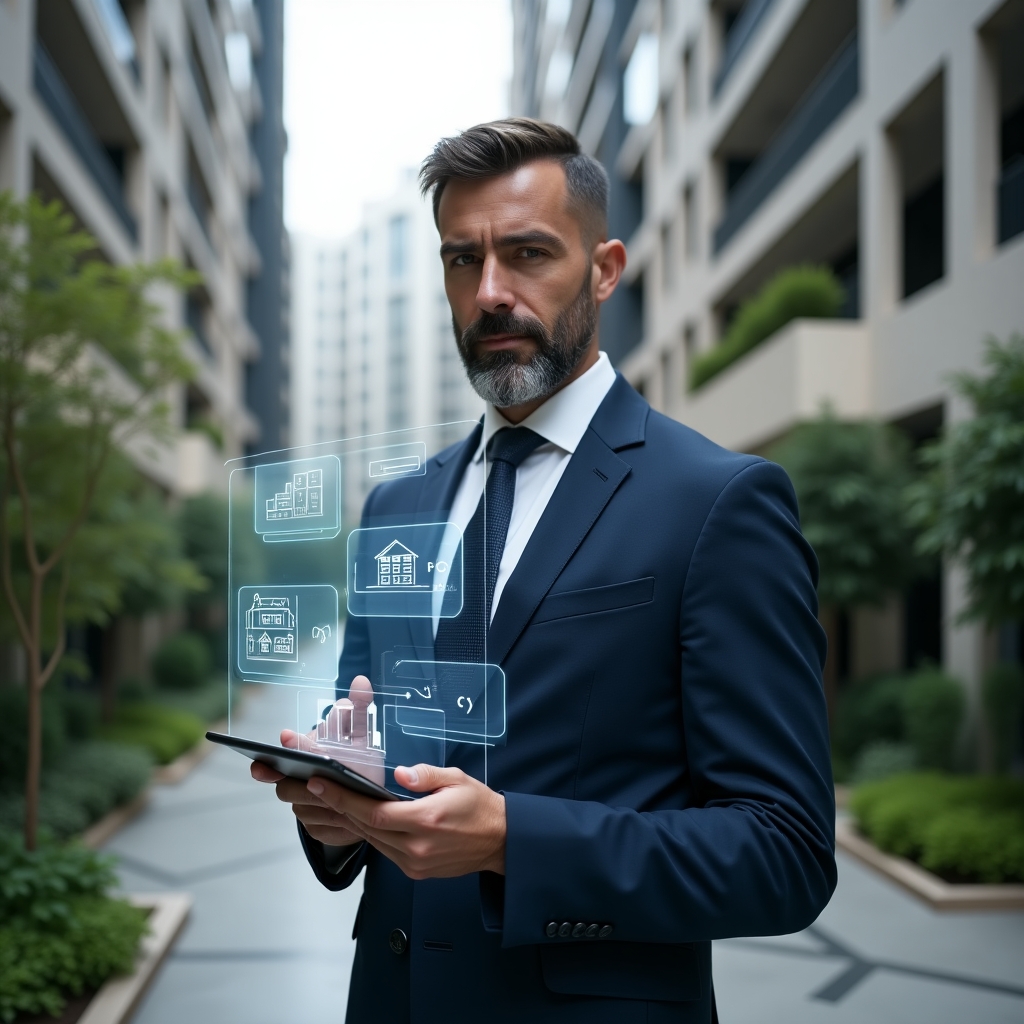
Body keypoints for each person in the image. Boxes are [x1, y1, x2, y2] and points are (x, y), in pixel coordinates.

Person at [252, 118, 836, 1023]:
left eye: (528, 253)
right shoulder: (394, 510)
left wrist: (512, 842)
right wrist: (337, 816)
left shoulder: (718, 502)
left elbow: (784, 852)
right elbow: (369, 752)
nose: (490, 293)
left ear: (604, 269)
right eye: (463, 260)